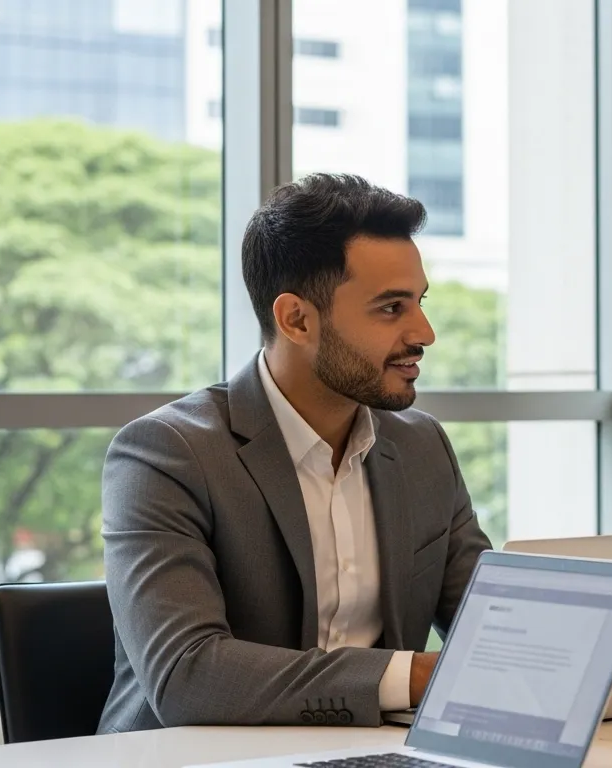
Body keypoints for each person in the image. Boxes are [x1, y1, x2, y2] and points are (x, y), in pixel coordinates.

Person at [99, 173, 492, 732]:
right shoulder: (167, 454)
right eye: (390, 308)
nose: (424, 332)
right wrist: (413, 677)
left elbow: (492, 633)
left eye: (420, 303)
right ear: (297, 319)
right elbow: (189, 676)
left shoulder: (421, 444)